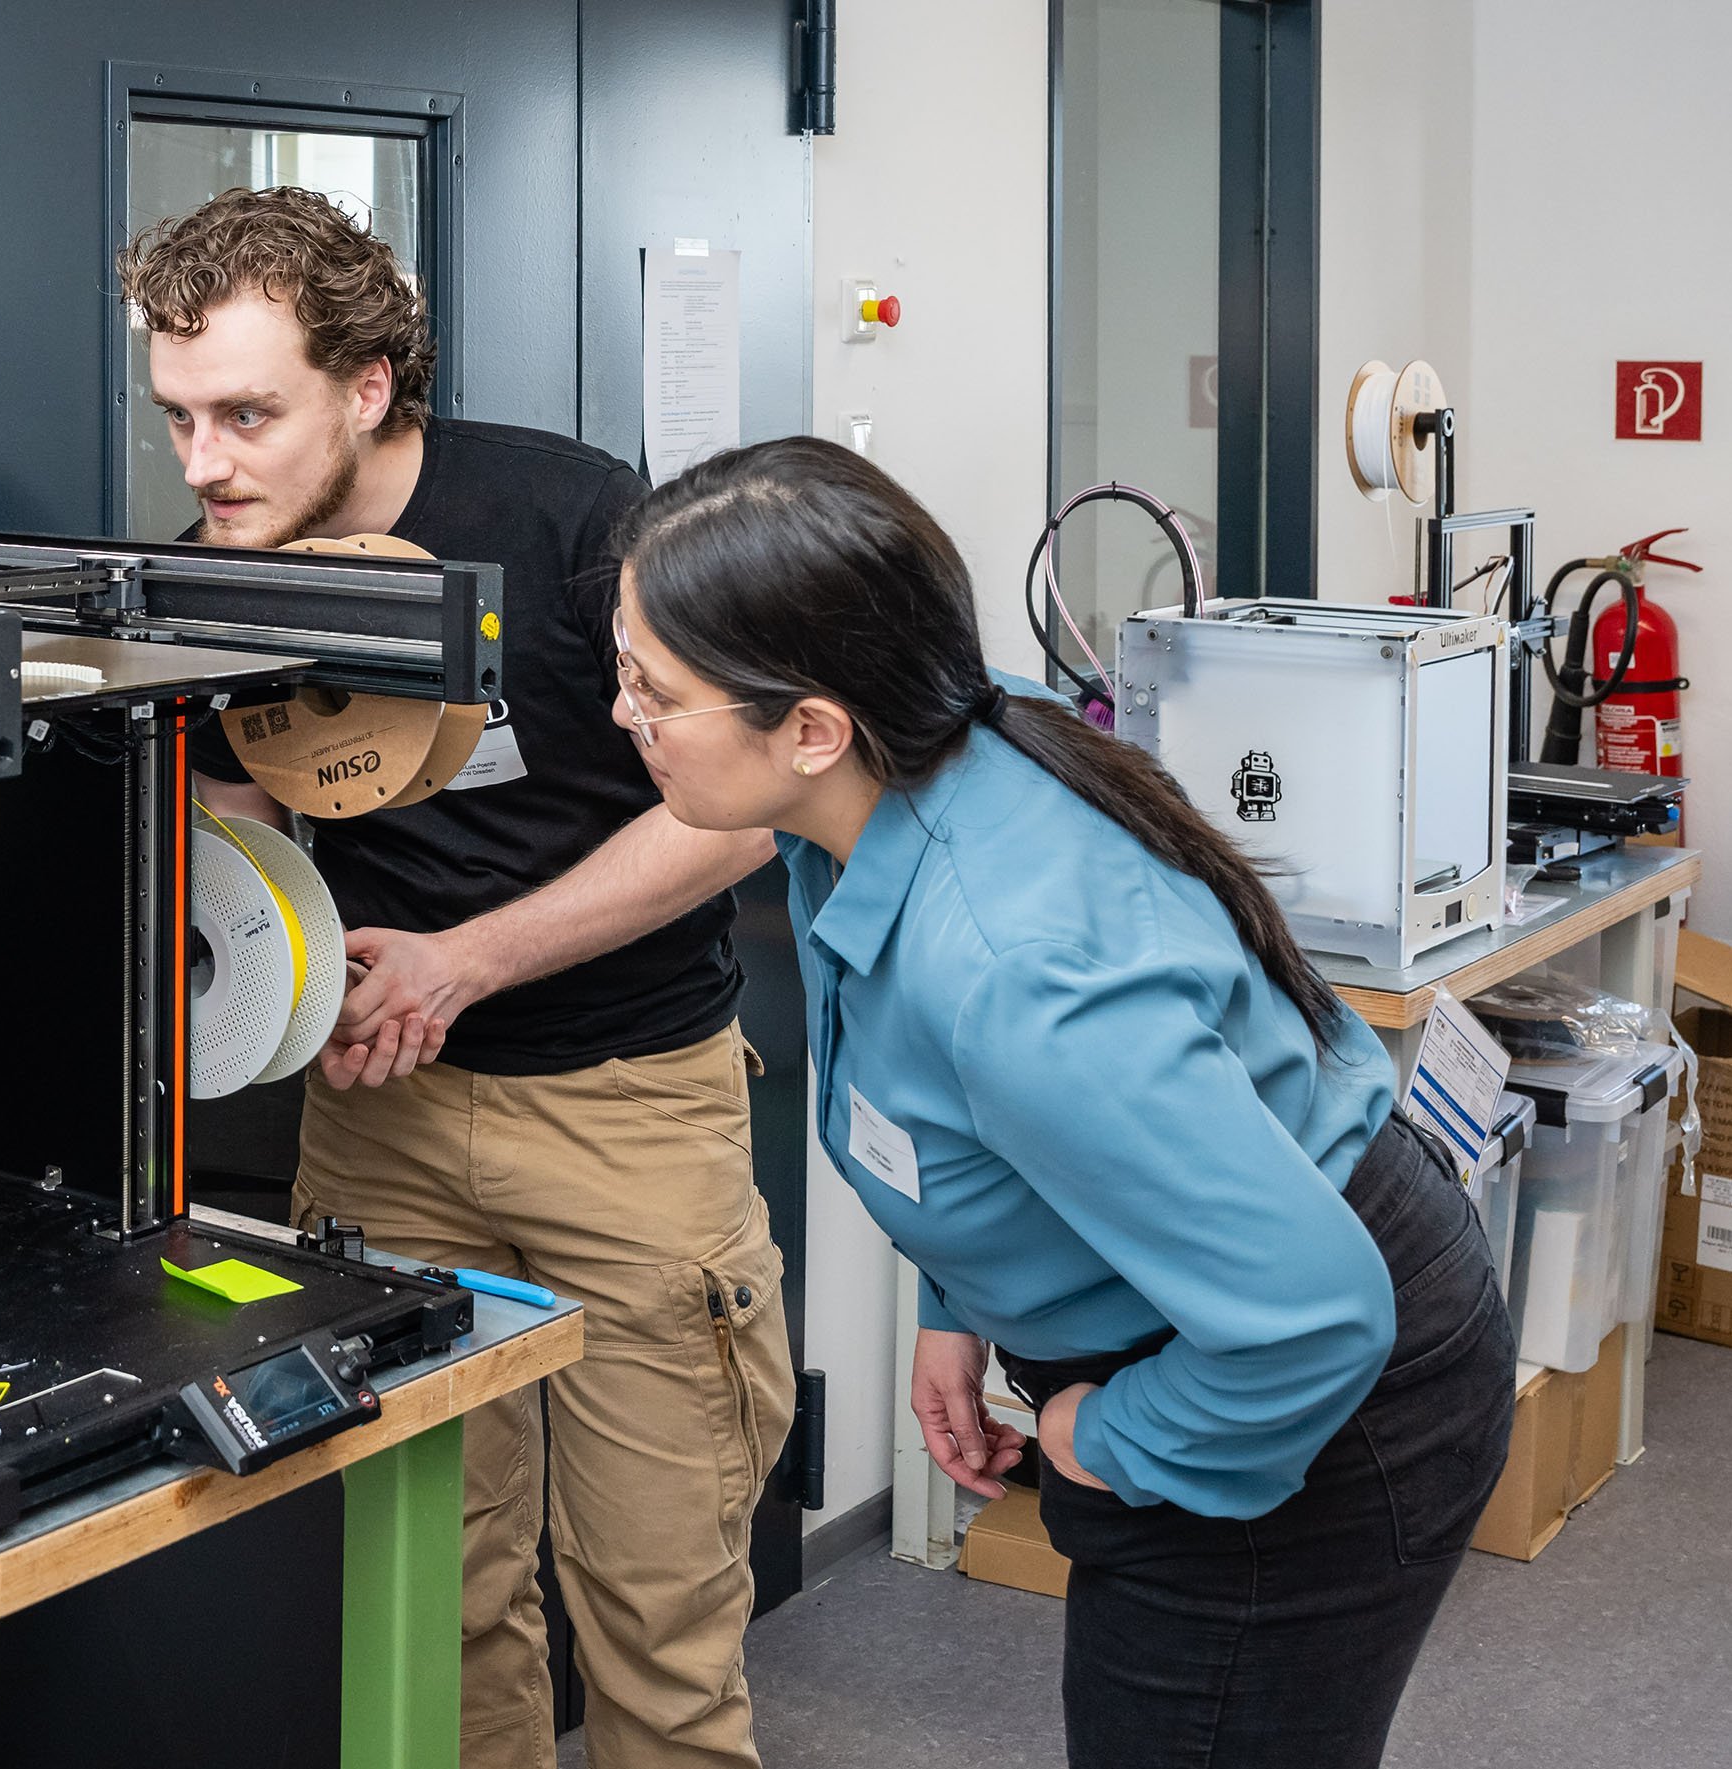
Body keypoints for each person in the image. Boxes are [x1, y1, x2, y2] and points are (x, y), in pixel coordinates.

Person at [609, 436, 1516, 1769]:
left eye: (653, 686)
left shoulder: (1014, 967)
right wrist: (961, 1305)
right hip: (1216, 1302)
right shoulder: (906, 773)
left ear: (811, 729)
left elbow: (1312, 1320)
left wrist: (1103, 1428)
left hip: (1311, 1382)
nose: (623, 712)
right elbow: (959, 1115)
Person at [118, 186, 793, 1769]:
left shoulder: (576, 524)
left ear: (366, 389)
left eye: (247, 415)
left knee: (656, 1621)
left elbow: (745, 821)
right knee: (439, 1596)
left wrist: (463, 961)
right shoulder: (211, 563)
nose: (207, 465)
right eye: (180, 418)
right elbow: (240, 833)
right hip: (380, 1127)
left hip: (626, 1118)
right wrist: (273, 958)